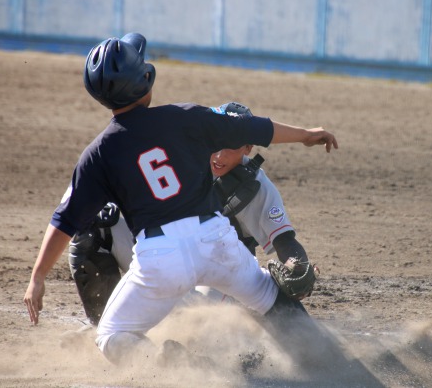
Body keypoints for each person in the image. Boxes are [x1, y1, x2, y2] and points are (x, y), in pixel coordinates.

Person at [23, 32, 338, 365]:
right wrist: (305, 135)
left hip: (159, 258)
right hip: (215, 240)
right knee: (269, 297)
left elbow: (65, 220)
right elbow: (253, 128)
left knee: (111, 335)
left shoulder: (98, 154)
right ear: (146, 77)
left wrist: (37, 277)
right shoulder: (184, 116)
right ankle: (326, 361)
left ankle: (171, 368)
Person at [68, 102, 313, 326]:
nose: (219, 154)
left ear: (249, 146)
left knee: (201, 321)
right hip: (167, 260)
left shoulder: (256, 187)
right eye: (217, 143)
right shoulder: (183, 157)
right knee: (97, 226)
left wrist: (297, 264)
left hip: (218, 281)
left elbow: (284, 241)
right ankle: (104, 329)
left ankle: (225, 348)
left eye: (231, 146)